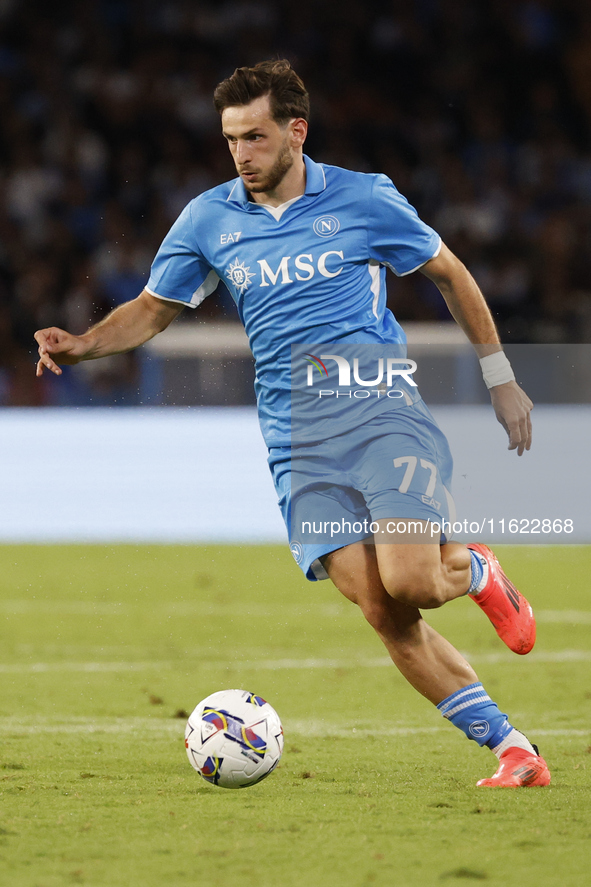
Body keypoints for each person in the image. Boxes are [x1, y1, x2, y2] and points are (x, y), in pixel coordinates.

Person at [35, 59, 550, 788]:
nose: (241, 154)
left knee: (412, 582)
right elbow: (153, 307)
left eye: (254, 136)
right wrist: (82, 343)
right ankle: (514, 750)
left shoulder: (366, 199)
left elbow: (451, 274)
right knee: (379, 607)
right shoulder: (208, 218)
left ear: (294, 132)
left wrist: (501, 380)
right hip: (297, 440)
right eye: (229, 140)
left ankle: (474, 568)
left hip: (381, 414)